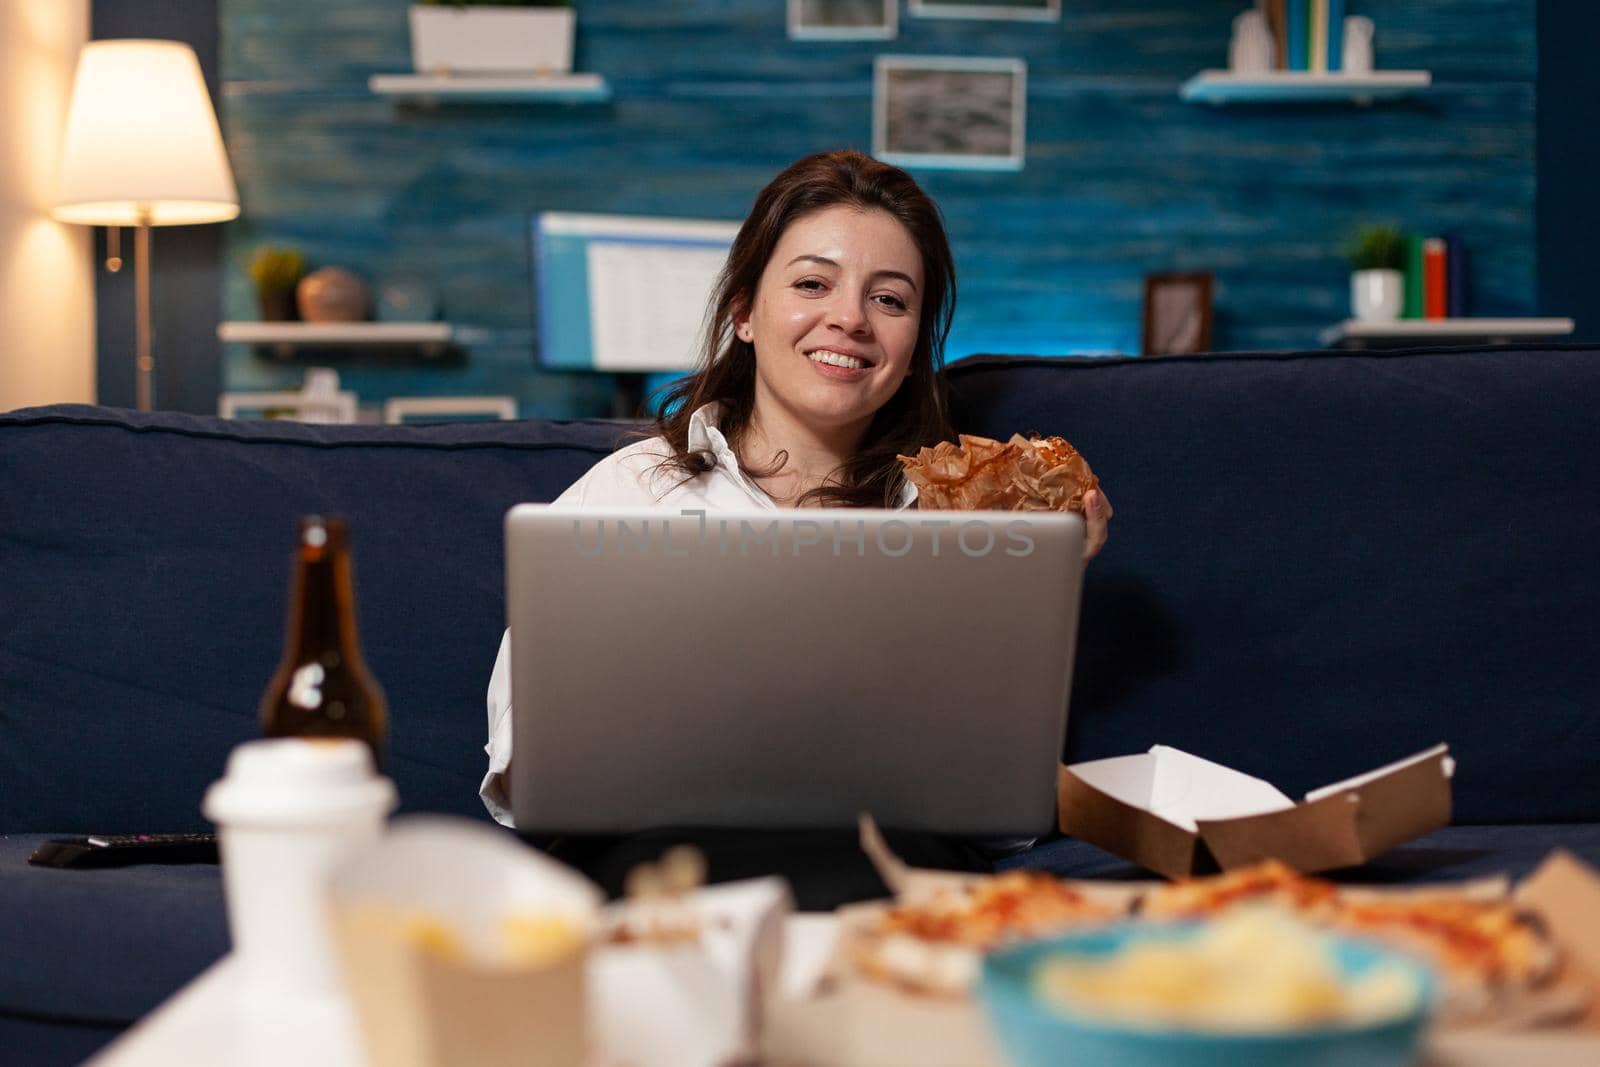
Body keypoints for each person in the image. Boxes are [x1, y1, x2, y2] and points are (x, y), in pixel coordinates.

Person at [482, 149, 1112, 903]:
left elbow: (999, 815)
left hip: (897, 866)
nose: (849, 317)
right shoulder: (626, 491)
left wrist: (1034, 586)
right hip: (665, 867)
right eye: (813, 283)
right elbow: (526, 777)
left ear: (914, 346)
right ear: (744, 311)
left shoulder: (970, 521)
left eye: (891, 299)